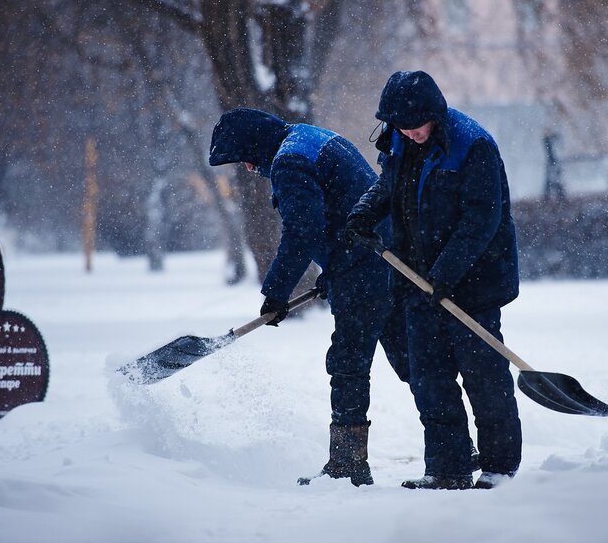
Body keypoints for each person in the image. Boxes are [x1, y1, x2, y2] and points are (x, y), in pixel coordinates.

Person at [209, 108, 408, 487]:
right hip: (386, 258)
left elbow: (303, 230)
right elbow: (343, 209)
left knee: (348, 363)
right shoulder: (309, 137)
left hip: (365, 268)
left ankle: (348, 465)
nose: (250, 168)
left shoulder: (289, 161)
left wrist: (275, 294)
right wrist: (331, 273)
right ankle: (455, 448)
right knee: (414, 359)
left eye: (247, 159)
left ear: (255, 144)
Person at [345, 71, 522, 490]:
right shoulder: (399, 140)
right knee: (429, 378)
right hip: (415, 281)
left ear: (435, 115)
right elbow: (388, 186)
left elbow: (481, 220)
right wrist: (364, 212)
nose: (411, 132)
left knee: (484, 376)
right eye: (402, 125)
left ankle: (499, 468)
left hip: (473, 283)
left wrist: (445, 274)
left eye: (417, 124)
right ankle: (448, 468)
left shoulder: (471, 146)